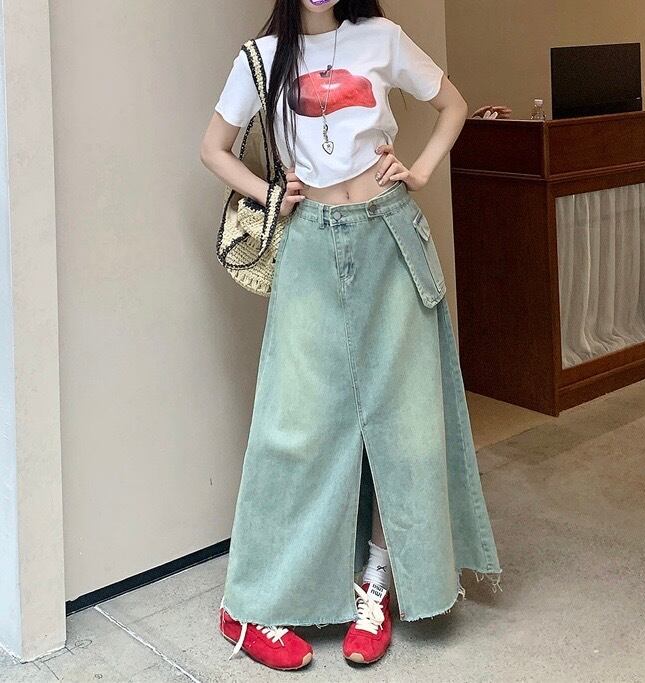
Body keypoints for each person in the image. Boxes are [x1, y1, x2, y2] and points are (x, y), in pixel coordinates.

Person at [200, 0, 502, 671]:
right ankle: (250, 601)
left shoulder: (381, 38)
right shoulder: (263, 58)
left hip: (389, 236)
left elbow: (453, 105)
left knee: (407, 428)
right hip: (310, 245)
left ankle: (377, 581)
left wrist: (420, 169)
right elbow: (212, 148)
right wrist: (268, 194)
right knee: (294, 429)